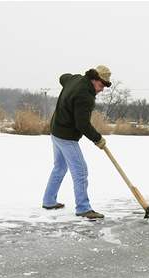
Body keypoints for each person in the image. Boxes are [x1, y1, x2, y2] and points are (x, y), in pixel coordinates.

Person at [42, 65, 112, 220]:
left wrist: (70, 84)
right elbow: (83, 124)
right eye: (101, 85)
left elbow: (63, 76)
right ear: (94, 79)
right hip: (66, 136)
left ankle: (48, 200)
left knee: (59, 167)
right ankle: (83, 208)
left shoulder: (74, 79)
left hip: (56, 130)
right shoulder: (85, 96)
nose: (102, 90)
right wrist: (98, 139)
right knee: (80, 171)